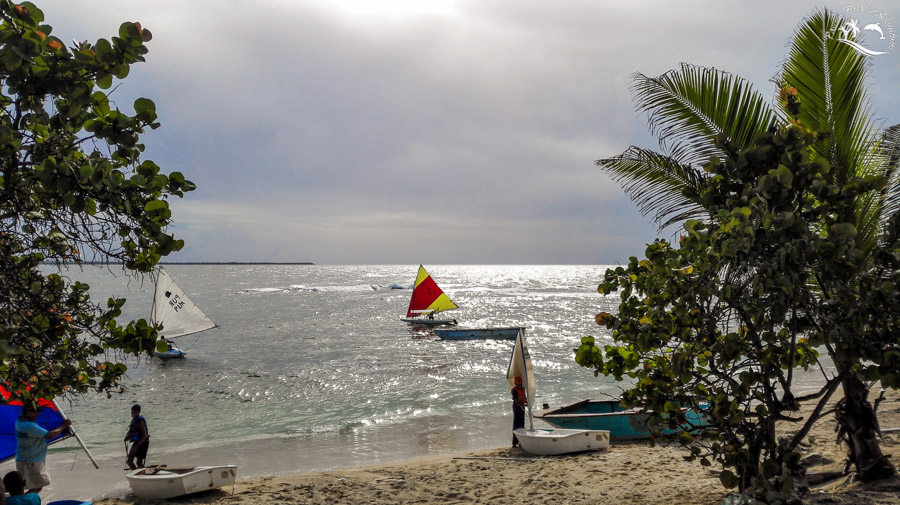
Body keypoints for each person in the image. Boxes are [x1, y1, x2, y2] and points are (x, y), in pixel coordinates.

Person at [14, 405, 71, 494]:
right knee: (37, 487)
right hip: (30, 461)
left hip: (27, 459)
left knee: (29, 487)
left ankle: (22, 501)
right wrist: (63, 426)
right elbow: (50, 435)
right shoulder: (28, 426)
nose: (37, 414)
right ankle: (24, 502)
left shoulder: (20, 420)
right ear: (28, 413)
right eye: (35, 412)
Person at [125, 404, 150, 470]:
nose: (133, 414)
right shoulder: (134, 420)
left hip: (143, 443)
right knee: (129, 461)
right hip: (137, 442)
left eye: (135, 412)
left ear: (139, 412)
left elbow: (144, 436)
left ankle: (140, 475)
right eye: (132, 412)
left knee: (139, 463)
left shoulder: (140, 421)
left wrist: (136, 447)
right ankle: (137, 473)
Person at [511, 376, 527, 447]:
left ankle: (521, 442)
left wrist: (527, 402)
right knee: (516, 425)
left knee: (522, 424)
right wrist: (523, 405)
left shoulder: (523, 389)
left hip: (522, 407)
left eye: (520, 384)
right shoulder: (514, 391)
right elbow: (517, 402)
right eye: (518, 385)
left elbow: (524, 397)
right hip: (517, 407)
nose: (520, 386)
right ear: (516, 384)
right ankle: (514, 443)